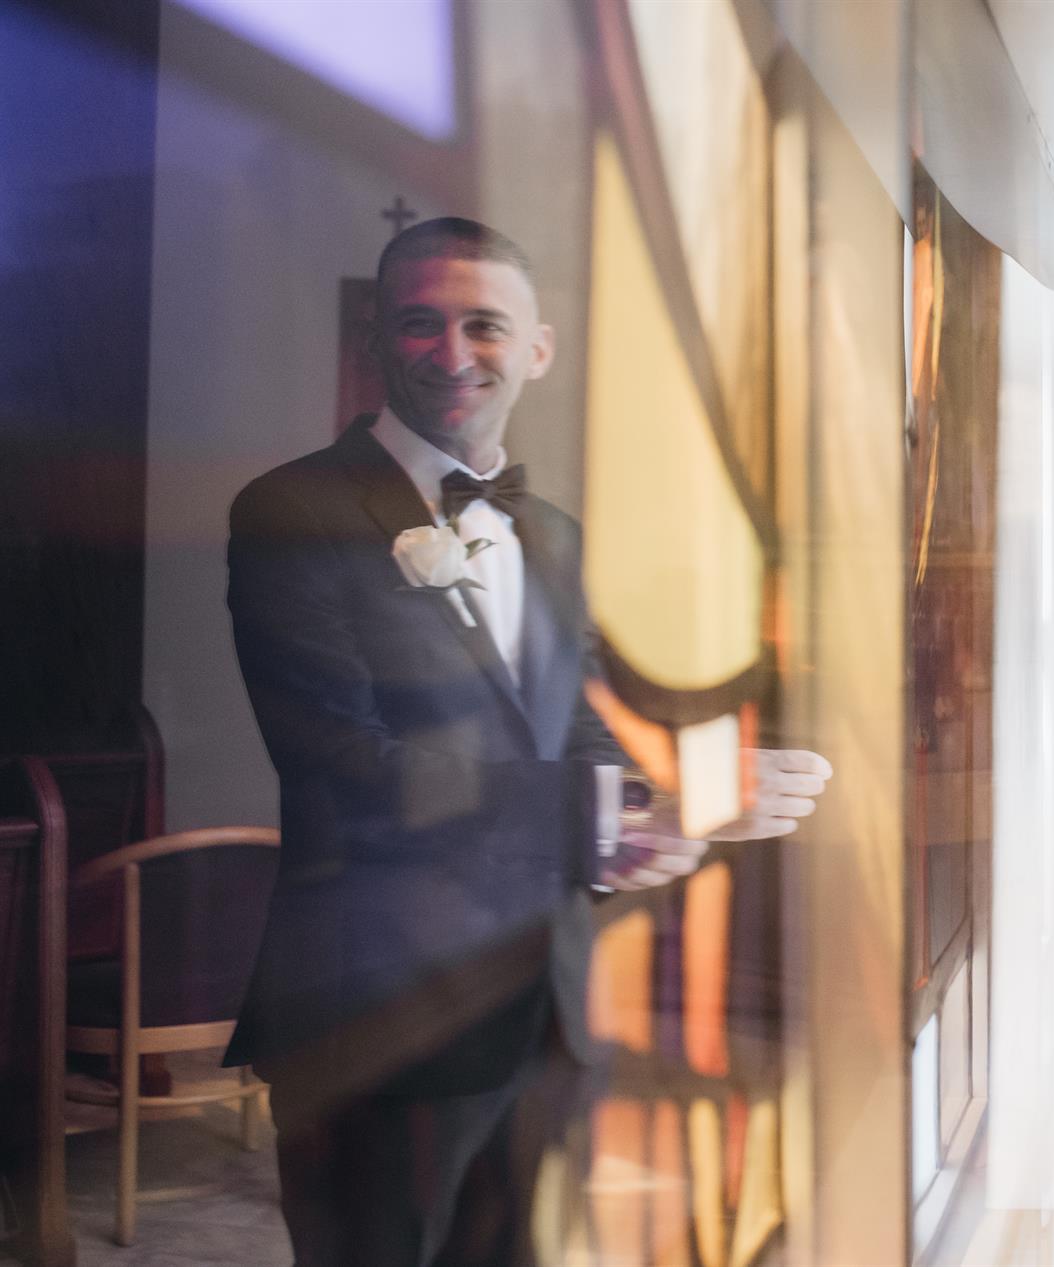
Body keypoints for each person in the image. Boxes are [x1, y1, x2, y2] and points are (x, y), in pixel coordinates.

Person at [224, 216, 831, 1265]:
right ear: (375, 339)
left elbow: (577, 726)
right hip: (377, 1018)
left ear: (537, 348)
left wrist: (663, 806)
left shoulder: (552, 533)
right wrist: (630, 805)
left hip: (545, 1007)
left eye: (485, 325)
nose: (452, 352)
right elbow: (346, 764)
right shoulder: (290, 509)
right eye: (419, 323)